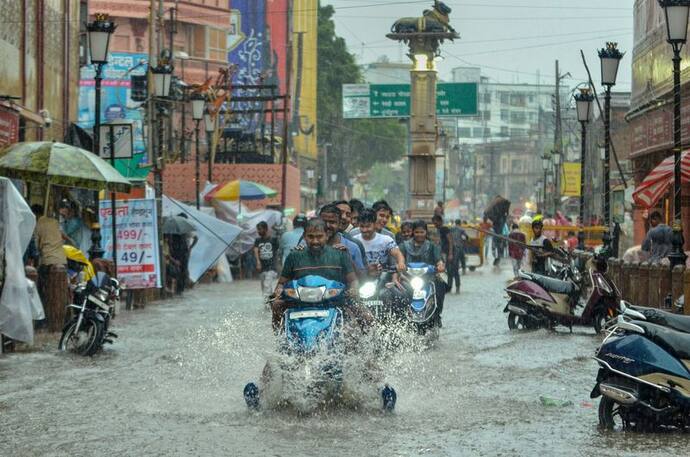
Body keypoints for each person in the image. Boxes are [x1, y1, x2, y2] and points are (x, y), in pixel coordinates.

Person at [272, 218, 361, 330]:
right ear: (304, 236)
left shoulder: (339, 254)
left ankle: (369, 344)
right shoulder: (294, 256)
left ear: (327, 235)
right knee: (276, 305)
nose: (315, 241)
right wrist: (278, 292)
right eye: (311, 237)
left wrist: (354, 290)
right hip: (300, 302)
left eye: (319, 236)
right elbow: (282, 283)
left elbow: (353, 280)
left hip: (334, 301)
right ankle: (281, 336)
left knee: (366, 318)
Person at [399, 220, 447, 324]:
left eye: (422, 232)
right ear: (413, 232)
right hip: (408, 278)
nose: (419, 235)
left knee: (441, 286)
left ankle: (437, 314)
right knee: (397, 292)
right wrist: (400, 264)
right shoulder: (404, 246)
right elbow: (399, 259)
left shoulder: (432, 246)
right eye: (417, 232)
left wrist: (440, 265)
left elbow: (439, 260)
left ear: (426, 232)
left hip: (428, 278)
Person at [31, 204, 67, 303]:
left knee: (40, 287)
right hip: (61, 259)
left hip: (48, 261)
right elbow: (61, 236)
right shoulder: (55, 222)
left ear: (34, 214)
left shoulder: (37, 224)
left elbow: (36, 246)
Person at [318, 204, 367, 277]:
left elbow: (363, 279)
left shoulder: (353, 247)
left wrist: (348, 259)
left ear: (339, 223)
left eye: (332, 222)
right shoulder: (309, 244)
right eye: (324, 222)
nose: (327, 225)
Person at [353, 208, 406, 273]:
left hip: (384, 278)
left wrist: (401, 263)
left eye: (368, 226)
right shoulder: (354, 241)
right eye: (362, 226)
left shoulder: (386, 240)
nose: (364, 230)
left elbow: (397, 253)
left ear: (375, 224)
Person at [254, 221, 279, 302]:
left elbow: (279, 251)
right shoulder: (257, 240)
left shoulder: (273, 240)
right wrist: (258, 262)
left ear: (266, 229)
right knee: (264, 288)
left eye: (260, 229)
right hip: (262, 268)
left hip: (272, 267)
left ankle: (266, 305)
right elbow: (256, 250)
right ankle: (272, 302)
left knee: (266, 286)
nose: (258, 231)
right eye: (258, 229)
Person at [449, 219, 468, 288]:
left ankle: (450, 286)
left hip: (451, 249)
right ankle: (463, 269)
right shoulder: (461, 230)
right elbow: (466, 237)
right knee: (462, 259)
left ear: (455, 223)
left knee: (451, 267)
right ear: (460, 223)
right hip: (459, 248)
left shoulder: (451, 228)